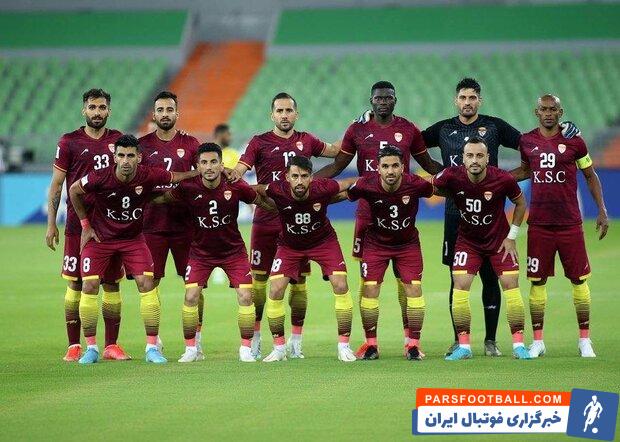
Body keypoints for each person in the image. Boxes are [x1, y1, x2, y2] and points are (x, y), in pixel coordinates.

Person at [357, 78, 580, 358]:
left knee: (492, 278)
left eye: (472, 98)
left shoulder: (495, 127)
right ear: (456, 101)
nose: (467, 102)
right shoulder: (443, 129)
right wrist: (370, 122)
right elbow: (405, 141)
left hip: (491, 215)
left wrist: (561, 131)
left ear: (479, 101)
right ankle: (459, 341)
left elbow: (531, 143)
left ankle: (490, 340)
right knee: (457, 278)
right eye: (463, 98)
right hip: (456, 215)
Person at [314, 80, 442, 357]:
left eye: (388, 98)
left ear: (395, 100)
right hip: (367, 214)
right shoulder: (357, 129)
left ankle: (410, 340)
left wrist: (459, 177)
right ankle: (370, 341)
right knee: (369, 282)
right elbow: (338, 165)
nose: (383, 102)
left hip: (402, 211)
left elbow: (429, 165)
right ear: (371, 101)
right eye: (378, 98)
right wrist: (310, 183)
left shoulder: (408, 129)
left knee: (405, 282)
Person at [68, 135, 199, 364]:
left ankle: (152, 348)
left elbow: (175, 176)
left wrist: (198, 172)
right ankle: (92, 348)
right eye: (121, 155)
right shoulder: (100, 176)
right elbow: (73, 190)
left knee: (147, 284)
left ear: (139, 157)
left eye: (130, 156)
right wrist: (85, 225)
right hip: (101, 239)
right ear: (114, 157)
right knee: (89, 285)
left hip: (133, 240)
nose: (126, 160)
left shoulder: (148, 174)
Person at [229, 92, 340, 359]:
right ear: (272, 115)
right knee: (259, 282)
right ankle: (256, 337)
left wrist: (357, 127)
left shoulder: (307, 140)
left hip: (297, 223)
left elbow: (336, 152)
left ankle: (296, 341)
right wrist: (236, 178)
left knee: (298, 283)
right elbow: (241, 169)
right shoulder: (259, 142)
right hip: (266, 221)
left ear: (296, 114)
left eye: (289, 110)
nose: (284, 115)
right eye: (279, 111)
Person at [152, 143, 274, 362]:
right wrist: (139, 197)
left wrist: (286, 208)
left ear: (221, 164)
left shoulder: (236, 185)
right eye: (204, 163)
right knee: (191, 296)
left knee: (246, 296)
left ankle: (246, 349)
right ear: (198, 166)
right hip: (200, 253)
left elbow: (260, 201)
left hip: (233, 252)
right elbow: (163, 198)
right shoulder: (188, 187)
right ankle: (191, 349)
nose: (209, 167)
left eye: (213, 162)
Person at [511, 94, 609, 358]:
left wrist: (602, 210)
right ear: (536, 112)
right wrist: (497, 178)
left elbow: (590, 175)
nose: (548, 113)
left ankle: (585, 340)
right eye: (543, 109)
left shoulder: (575, 142)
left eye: (552, 109)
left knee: (579, 280)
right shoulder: (527, 141)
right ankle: (538, 342)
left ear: (560, 112)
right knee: (537, 282)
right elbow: (525, 170)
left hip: (570, 224)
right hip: (539, 224)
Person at [46, 88, 127, 362]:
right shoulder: (69, 142)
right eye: (92, 107)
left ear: (109, 110)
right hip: (77, 226)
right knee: (76, 284)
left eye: (102, 107)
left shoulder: (118, 141)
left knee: (112, 284)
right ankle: (74, 345)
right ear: (84, 110)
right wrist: (51, 223)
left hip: (111, 225)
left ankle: (111, 345)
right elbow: (57, 185)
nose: (97, 112)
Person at [431, 137, 530, 360]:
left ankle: (518, 346)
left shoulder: (502, 178)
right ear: (463, 159)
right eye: (470, 156)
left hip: (499, 242)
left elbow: (521, 202)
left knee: (511, 285)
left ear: (487, 158)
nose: (474, 160)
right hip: (468, 242)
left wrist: (512, 237)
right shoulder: (451, 175)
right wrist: (452, 194)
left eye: (479, 155)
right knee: (460, 286)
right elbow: (431, 186)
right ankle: (464, 347)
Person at [256, 156, 357, 362]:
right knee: (275, 290)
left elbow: (349, 183)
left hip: (323, 242)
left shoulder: (323, 187)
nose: (299, 181)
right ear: (287, 177)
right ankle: (279, 348)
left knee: (340, 284)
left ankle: (344, 346)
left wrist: (374, 181)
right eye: (295, 176)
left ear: (311, 177)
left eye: (304, 176)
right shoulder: (277, 189)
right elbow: (256, 189)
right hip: (289, 246)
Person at [347, 145, 434, 360]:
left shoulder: (416, 183)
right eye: (385, 166)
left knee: (414, 290)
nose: (391, 171)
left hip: (407, 245)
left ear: (403, 167)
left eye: (395, 165)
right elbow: (343, 194)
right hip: (376, 245)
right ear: (377, 168)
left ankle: (413, 346)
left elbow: (440, 190)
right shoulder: (366, 184)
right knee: (370, 290)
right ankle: (371, 345)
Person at [139, 91, 201, 354]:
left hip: (186, 226)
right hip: (151, 226)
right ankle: (154, 340)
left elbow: (202, 177)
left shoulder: (191, 144)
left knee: (194, 283)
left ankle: (197, 340)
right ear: (153, 115)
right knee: (150, 283)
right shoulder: (141, 146)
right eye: (160, 110)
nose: (165, 114)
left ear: (177, 113)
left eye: (169, 109)